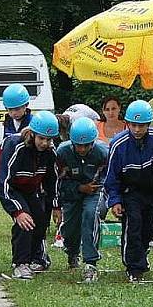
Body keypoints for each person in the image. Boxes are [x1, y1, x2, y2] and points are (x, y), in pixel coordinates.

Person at [104, 100, 153, 283]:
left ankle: (142, 256)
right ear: (127, 123)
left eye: (141, 125)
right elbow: (111, 175)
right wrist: (115, 200)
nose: (137, 129)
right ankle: (133, 266)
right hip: (129, 191)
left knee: (147, 228)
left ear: (149, 124)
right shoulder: (118, 144)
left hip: (150, 191)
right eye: (133, 125)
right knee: (133, 225)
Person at [0, 111, 60, 280]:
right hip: (11, 188)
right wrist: (17, 211)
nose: (45, 143)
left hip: (31, 188)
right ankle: (20, 263)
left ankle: (36, 258)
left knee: (40, 220)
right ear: (32, 134)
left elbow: (52, 181)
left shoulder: (50, 152)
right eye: (41, 139)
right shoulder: (16, 146)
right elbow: (4, 182)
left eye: (49, 139)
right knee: (25, 221)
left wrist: (55, 205)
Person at [56, 117, 108, 283]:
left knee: (90, 216)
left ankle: (91, 263)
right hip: (72, 193)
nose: (83, 149)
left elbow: (109, 178)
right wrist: (78, 188)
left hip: (95, 191)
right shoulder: (62, 153)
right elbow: (59, 182)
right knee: (70, 227)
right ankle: (72, 252)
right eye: (78, 145)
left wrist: (100, 191)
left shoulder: (103, 153)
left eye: (87, 145)